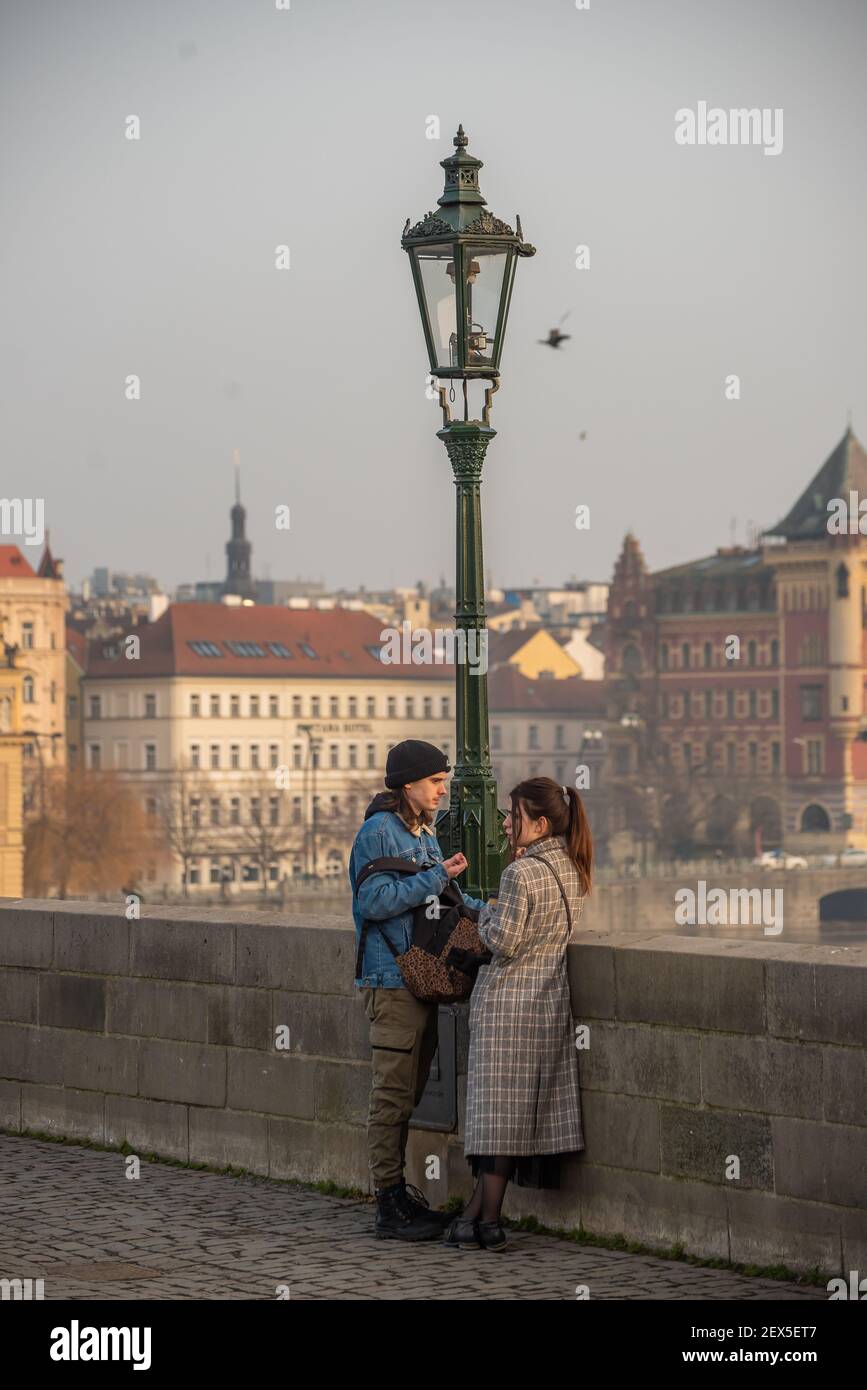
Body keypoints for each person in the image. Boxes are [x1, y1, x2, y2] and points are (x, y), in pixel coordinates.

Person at [444, 776, 593, 1252]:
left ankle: (488, 1222)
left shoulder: (519, 873)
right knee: (507, 1119)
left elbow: (502, 941)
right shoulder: (572, 869)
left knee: (494, 1121)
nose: (506, 824)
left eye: (514, 815)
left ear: (540, 823)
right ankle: (474, 1220)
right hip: (546, 1003)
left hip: (506, 1006)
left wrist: (482, 914)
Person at [349, 739, 487, 1240]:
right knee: (390, 1097)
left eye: (445, 781)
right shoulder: (377, 832)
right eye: (435, 782)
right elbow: (373, 902)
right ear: (408, 784)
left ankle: (399, 1200)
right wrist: (435, 875)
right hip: (391, 979)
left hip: (418, 977)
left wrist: (489, 912)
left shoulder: (423, 831)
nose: (443, 790)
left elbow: (447, 898)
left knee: (406, 1095)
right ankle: (388, 1206)